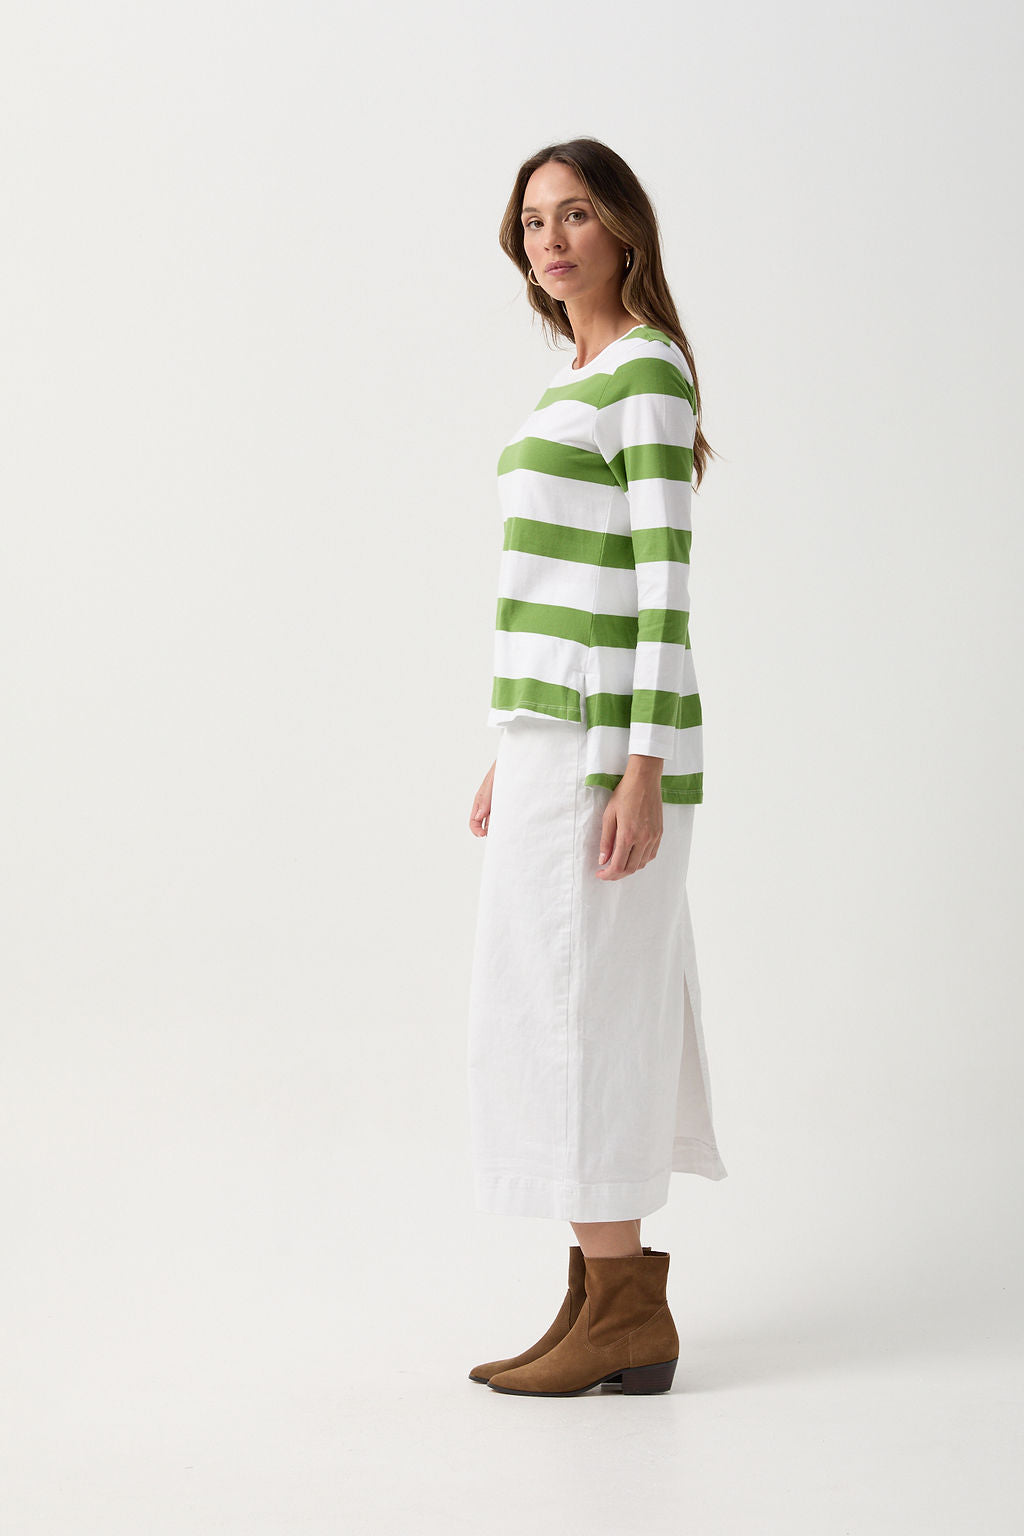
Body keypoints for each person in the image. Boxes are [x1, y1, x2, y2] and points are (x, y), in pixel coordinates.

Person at [465, 137, 728, 1398]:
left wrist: (640, 768)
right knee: (543, 1006)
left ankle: (622, 1308)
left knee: (585, 1011)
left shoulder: (644, 372)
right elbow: (553, 586)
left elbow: (662, 586)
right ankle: (595, 1300)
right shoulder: (566, 381)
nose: (552, 240)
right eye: (533, 222)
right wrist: (505, 743)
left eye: (575, 215)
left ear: (623, 228)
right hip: (546, 738)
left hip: (604, 746)